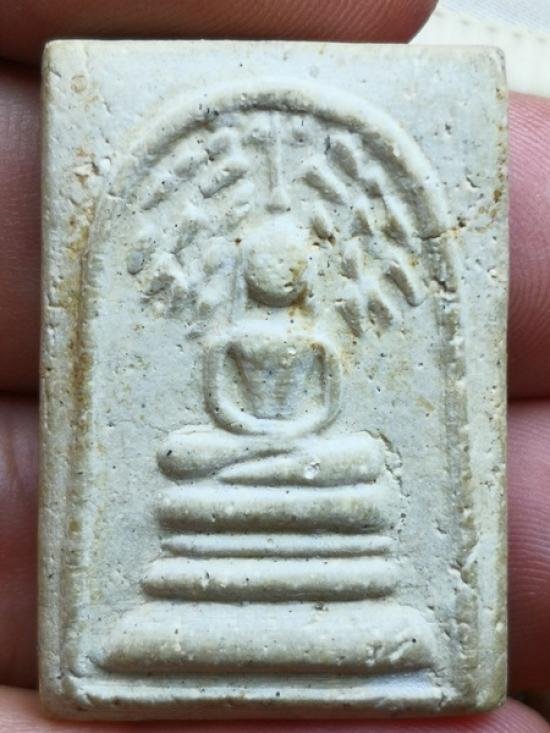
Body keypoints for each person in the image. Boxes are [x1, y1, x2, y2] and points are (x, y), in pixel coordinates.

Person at [0, 1, 549, 730]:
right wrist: (254, 442)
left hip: (302, 452)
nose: (277, 277)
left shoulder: (316, 338)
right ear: (248, 271)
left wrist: (288, 443)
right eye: (266, 266)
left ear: (303, 275)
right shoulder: (230, 336)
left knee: (359, 460)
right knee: (185, 452)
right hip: (239, 452)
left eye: (288, 268)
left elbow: (327, 404)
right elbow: (220, 404)